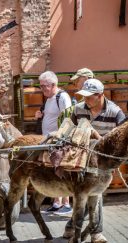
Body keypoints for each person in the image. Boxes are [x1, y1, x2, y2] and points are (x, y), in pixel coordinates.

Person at [65, 78, 126, 243]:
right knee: (88, 194)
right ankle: (91, 232)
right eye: (83, 96)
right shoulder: (78, 110)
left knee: (94, 194)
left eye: (89, 97)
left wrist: (114, 162)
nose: (85, 100)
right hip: (81, 160)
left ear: (100, 95)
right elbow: (69, 131)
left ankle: (88, 231)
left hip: (104, 162)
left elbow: (123, 139)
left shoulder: (115, 112)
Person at [34, 71, 73, 215]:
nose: (42, 89)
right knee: (54, 171)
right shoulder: (49, 99)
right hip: (49, 141)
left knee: (61, 171)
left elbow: (68, 118)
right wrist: (40, 115)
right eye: (41, 86)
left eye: (44, 86)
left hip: (60, 142)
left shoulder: (62, 97)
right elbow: (50, 115)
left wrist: (61, 138)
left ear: (54, 85)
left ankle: (67, 204)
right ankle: (57, 203)